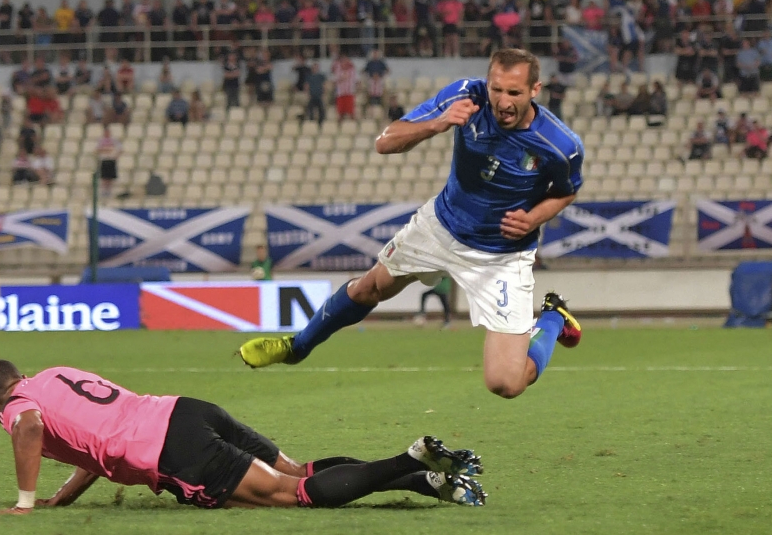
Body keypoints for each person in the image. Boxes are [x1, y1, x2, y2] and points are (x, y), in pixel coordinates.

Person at [238, 49, 584, 400]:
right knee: (370, 288)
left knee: (506, 384)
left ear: (535, 90)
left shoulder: (560, 145)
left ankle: (553, 317)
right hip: (440, 227)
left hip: (501, 256)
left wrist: (533, 218)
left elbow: (567, 191)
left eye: (514, 93)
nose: (503, 101)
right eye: (497, 89)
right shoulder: (465, 96)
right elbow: (385, 142)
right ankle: (297, 346)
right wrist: (440, 123)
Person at [0, 360, 485, 517]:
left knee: (295, 496)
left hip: (174, 451)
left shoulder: (18, 408)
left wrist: (23, 504)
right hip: (186, 410)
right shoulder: (54, 374)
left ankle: (407, 458)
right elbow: (94, 452)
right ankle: (429, 481)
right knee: (296, 472)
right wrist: (59, 499)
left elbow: (31, 427)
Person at [96, 126, 122, 197]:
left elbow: (120, 149)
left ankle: (109, 191)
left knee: (110, 177)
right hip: (104, 160)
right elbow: (97, 150)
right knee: (104, 177)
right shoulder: (101, 140)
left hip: (111, 160)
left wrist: (116, 156)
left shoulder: (114, 140)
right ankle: (104, 191)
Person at [331, 55, 357, 122]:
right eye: (343, 61)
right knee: (340, 113)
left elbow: (355, 80)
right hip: (340, 94)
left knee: (351, 112)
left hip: (349, 93)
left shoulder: (352, 70)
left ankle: (354, 126)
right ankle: (339, 128)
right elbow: (335, 80)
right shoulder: (338, 70)